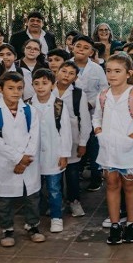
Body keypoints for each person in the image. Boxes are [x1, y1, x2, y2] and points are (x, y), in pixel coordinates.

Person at [93, 54, 133, 245]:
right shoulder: (103, 95)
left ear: (129, 73)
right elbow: (97, 116)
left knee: (130, 186)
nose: (111, 75)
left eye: (117, 71)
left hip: (130, 151)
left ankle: (131, 224)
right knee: (112, 185)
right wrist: (98, 131)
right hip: (108, 149)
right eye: (108, 71)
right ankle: (115, 225)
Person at [0, 71, 44, 247]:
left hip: (29, 161)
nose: (15, 92)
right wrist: (18, 159)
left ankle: (32, 225)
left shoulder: (30, 111)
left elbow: (35, 137)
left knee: (32, 196)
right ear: (0, 89)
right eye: (10, 88)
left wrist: (25, 159)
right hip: (7, 162)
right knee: (5, 199)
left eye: (19, 88)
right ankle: (7, 229)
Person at [31, 68, 72, 234]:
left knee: (54, 189)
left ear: (53, 85)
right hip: (33, 156)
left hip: (54, 154)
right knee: (34, 189)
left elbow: (66, 131)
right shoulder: (27, 104)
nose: (41, 87)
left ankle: (56, 217)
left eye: (45, 83)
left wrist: (64, 154)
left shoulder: (59, 105)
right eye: (37, 83)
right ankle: (33, 219)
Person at [53, 62, 89, 218]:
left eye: (71, 73)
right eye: (64, 71)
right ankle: (57, 202)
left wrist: (83, 143)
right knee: (55, 173)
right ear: (57, 72)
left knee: (73, 174)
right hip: (52, 138)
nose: (66, 75)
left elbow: (85, 121)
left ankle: (74, 201)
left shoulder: (78, 94)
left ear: (75, 77)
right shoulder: (48, 89)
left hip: (73, 138)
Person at [72, 36, 108, 192]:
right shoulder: (66, 65)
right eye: (78, 46)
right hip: (71, 113)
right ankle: (75, 174)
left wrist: (91, 103)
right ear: (72, 47)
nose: (81, 49)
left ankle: (96, 177)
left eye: (85, 47)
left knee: (94, 146)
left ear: (91, 51)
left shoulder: (97, 68)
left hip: (93, 112)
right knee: (74, 144)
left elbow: (104, 89)